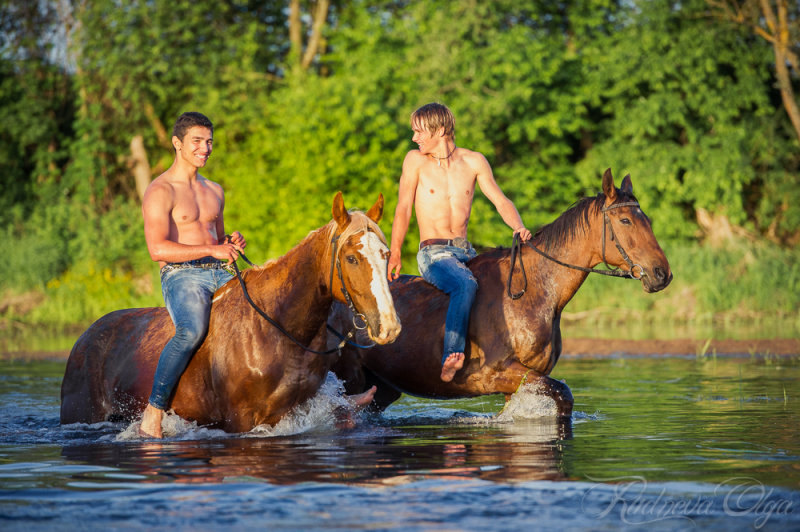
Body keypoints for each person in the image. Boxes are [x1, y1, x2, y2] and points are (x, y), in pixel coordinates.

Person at [387, 103, 532, 382]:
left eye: (419, 132)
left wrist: (518, 227)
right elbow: (403, 208)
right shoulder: (414, 162)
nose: (414, 138)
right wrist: (395, 252)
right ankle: (451, 356)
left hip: (466, 252)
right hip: (433, 254)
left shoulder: (474, 161)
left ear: (440, 131)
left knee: (505, 282)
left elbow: (500, 200)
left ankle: (506, 356)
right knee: (465, 284)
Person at [139, 111, 246, 438]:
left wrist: (228, 244)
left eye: (209, 141)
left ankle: (329, 399)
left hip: (218, 270)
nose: (205, 148)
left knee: (270, 317)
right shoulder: (160, 191)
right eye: (197, 141)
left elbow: (217, 241)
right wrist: (211, 250)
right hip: (181, 275)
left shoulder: (214, 189)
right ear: (177, 143)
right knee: (191, 332)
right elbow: (158, 250)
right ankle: (154, 410)